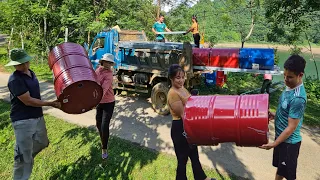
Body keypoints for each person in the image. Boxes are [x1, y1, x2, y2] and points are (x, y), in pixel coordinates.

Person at [6, 48, 61, 180]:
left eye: (26, 62)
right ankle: (22, 163)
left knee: (43, 142)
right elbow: (28, 101)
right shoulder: (15, 80)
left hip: (37, 116)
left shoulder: (31, 73)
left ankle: (25, 155)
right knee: (23, 159)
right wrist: (51, 103)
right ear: (14, 64)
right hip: (23, 120)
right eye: (20, 64)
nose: (24, 65)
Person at [260, 55, 307, 180]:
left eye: (290, 77)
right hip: (281, 139)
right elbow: (287, 113)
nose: (285, 79)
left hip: (289, 143)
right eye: (284, 75)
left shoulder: (298, 98)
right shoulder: (289, 87)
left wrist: (275, 143)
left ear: (300, 75)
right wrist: (275, 116)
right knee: (280, 170)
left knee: (289, 175)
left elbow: (291, 127)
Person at [167, 64, 215, 180]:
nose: (181, 80)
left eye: (183, 77)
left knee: (194, 154)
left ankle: (201, 178)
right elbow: (184, 114)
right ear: (171, 78)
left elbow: (190, 103)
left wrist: (194, 97)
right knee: (182, 159)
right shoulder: (173, 93)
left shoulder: (182, 88)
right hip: (180, 127)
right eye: (178, 78)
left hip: (188, 126)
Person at [95, 53, 116, 159]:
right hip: (99, 102)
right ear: (102, 61)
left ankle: (104, 148)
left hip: (108, 102)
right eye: (107, 62)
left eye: (110, 62)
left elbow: (103, 89)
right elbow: (93, 82)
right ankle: (103, 139)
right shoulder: (97, 70)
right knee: (98, 124)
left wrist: (94, 101)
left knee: (104, 125)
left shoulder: (109, 74)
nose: (108, 64)